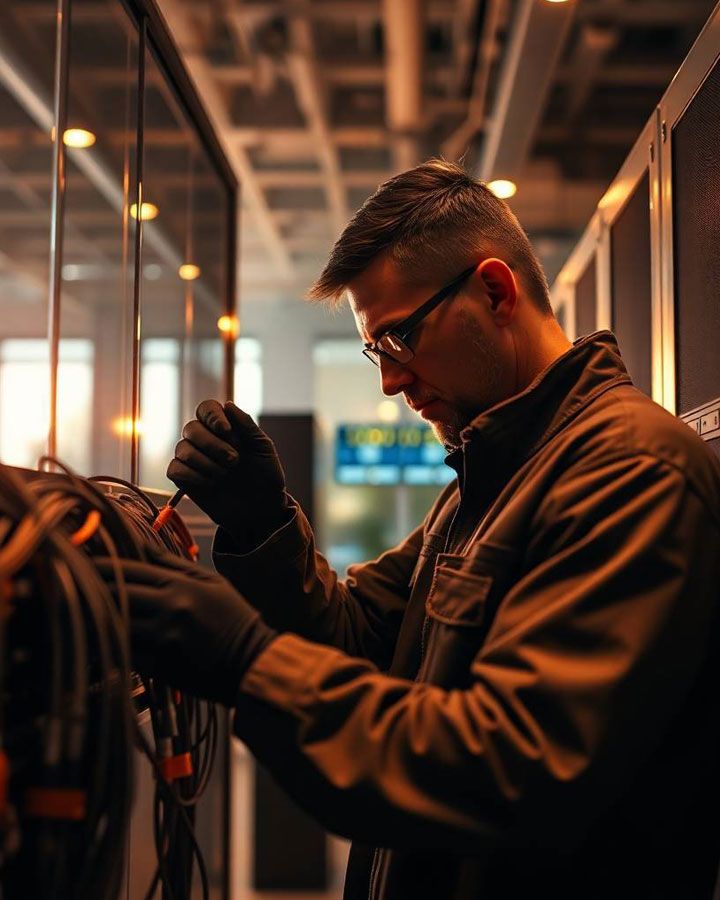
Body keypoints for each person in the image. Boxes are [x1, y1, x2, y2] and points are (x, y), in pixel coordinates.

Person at [99, 160, 720, 899]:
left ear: (494, 291)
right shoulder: (484, 487)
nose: (390, 382)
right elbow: (359, 633)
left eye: (399, 339)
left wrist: (244, 660)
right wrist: (263, 525)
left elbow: (506, 771)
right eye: (376, 351)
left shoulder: (630, 472)